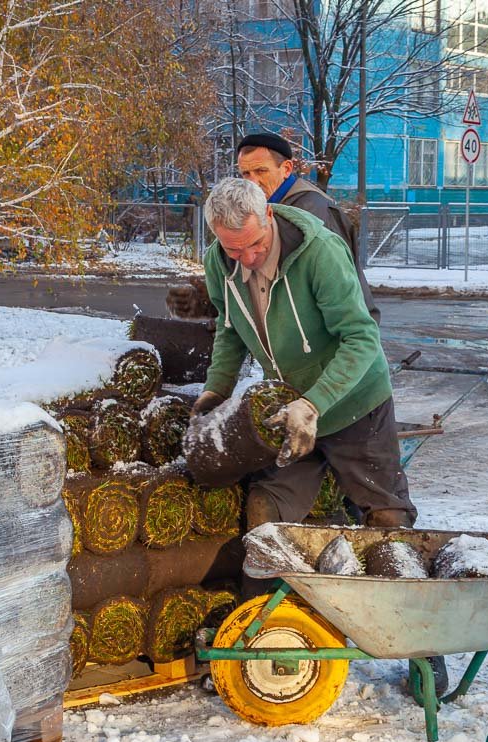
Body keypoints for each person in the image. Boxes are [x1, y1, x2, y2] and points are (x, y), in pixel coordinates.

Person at [193, 178, 440, 689]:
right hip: (288, 406)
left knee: (387, 523)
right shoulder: (222, 261)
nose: (245, 260)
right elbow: (229, 329)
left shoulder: (319, 252)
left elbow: (362, 338)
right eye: (232, 250)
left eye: (253, 246)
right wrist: (216, 391)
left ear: (269, 217)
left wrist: (315, 404)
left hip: (354, 403)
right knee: (266, 510)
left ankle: (425, 653)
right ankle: (258, 640)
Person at [168, 132, 378, 323]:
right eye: (246, 173)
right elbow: (253, 277)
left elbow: (325, 292)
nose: (252, 182)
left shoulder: (313, 211)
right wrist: (212, 300)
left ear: (286, 169)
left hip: (335, 339)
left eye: (261, 171)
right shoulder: (259, 209)